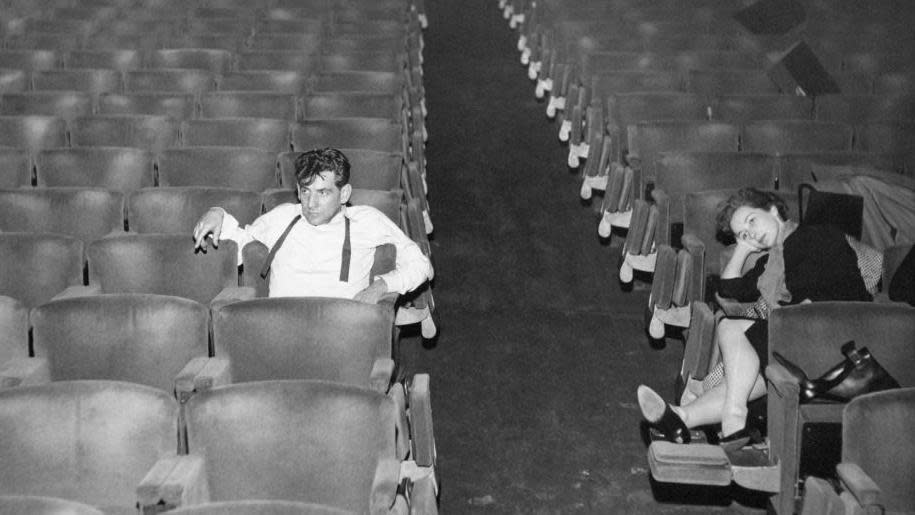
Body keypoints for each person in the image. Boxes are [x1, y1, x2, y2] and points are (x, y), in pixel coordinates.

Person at [636, 187, 914, 449]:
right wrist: (744, 249)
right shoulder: (770, 264)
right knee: (743, 378)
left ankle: (730, 417)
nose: (750, 234)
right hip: (802, 339)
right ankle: (682, 419)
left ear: (773, 209)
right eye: (741, 233)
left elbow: (827, 295)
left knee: (732, 330)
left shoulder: (819, 235)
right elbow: (729, 288)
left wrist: (787, 319)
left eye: (752, 221)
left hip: (838, 336)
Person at [192, 147, 433, 304]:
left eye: (323, 193)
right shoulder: (282, 218)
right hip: (281, 329)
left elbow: (421, 265)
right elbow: (241, 244)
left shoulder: (367, 221)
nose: (311, 203)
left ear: (344, 193)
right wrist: (218, 213)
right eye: (305, 192)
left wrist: (381, 286)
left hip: (340, 331)